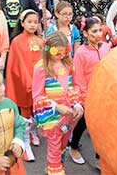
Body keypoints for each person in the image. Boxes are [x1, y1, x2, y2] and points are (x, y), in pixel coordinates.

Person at [32, 31, 83, 175]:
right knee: (54, 148)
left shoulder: (68, 63)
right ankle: (55, 170)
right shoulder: (41, 68)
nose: (61, 56)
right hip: (53, 118)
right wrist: (56, 107)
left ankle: (53, 169)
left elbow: (74, 86)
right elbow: (37, 96)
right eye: (57, 53)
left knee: (62, 146)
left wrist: (77, 104)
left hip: (69, 116)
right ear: (48, 49)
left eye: (64, 52)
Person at [70, 17, 110, 166]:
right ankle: (73, 146)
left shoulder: (106, 47)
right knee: (84, 123)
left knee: (103, 127)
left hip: (105, 93)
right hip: (89, 95)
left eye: (100, 30)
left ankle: (100, 157)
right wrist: (85, 99)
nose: (98, 34)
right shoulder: (80, 53)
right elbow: (78, 78)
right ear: (85, 33)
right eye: (94, 31)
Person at [5, 9, 43, 161]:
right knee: (25, 113)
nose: (33, 25)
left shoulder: (41, 41)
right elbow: (16, 65)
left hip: (39, 84)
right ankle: (25, 143)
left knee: (39, 112)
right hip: (24, 83)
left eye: (36, 22)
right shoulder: (16, 41)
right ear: (22, 23)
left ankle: (33, 132)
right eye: (29, 22)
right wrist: (29, 82)